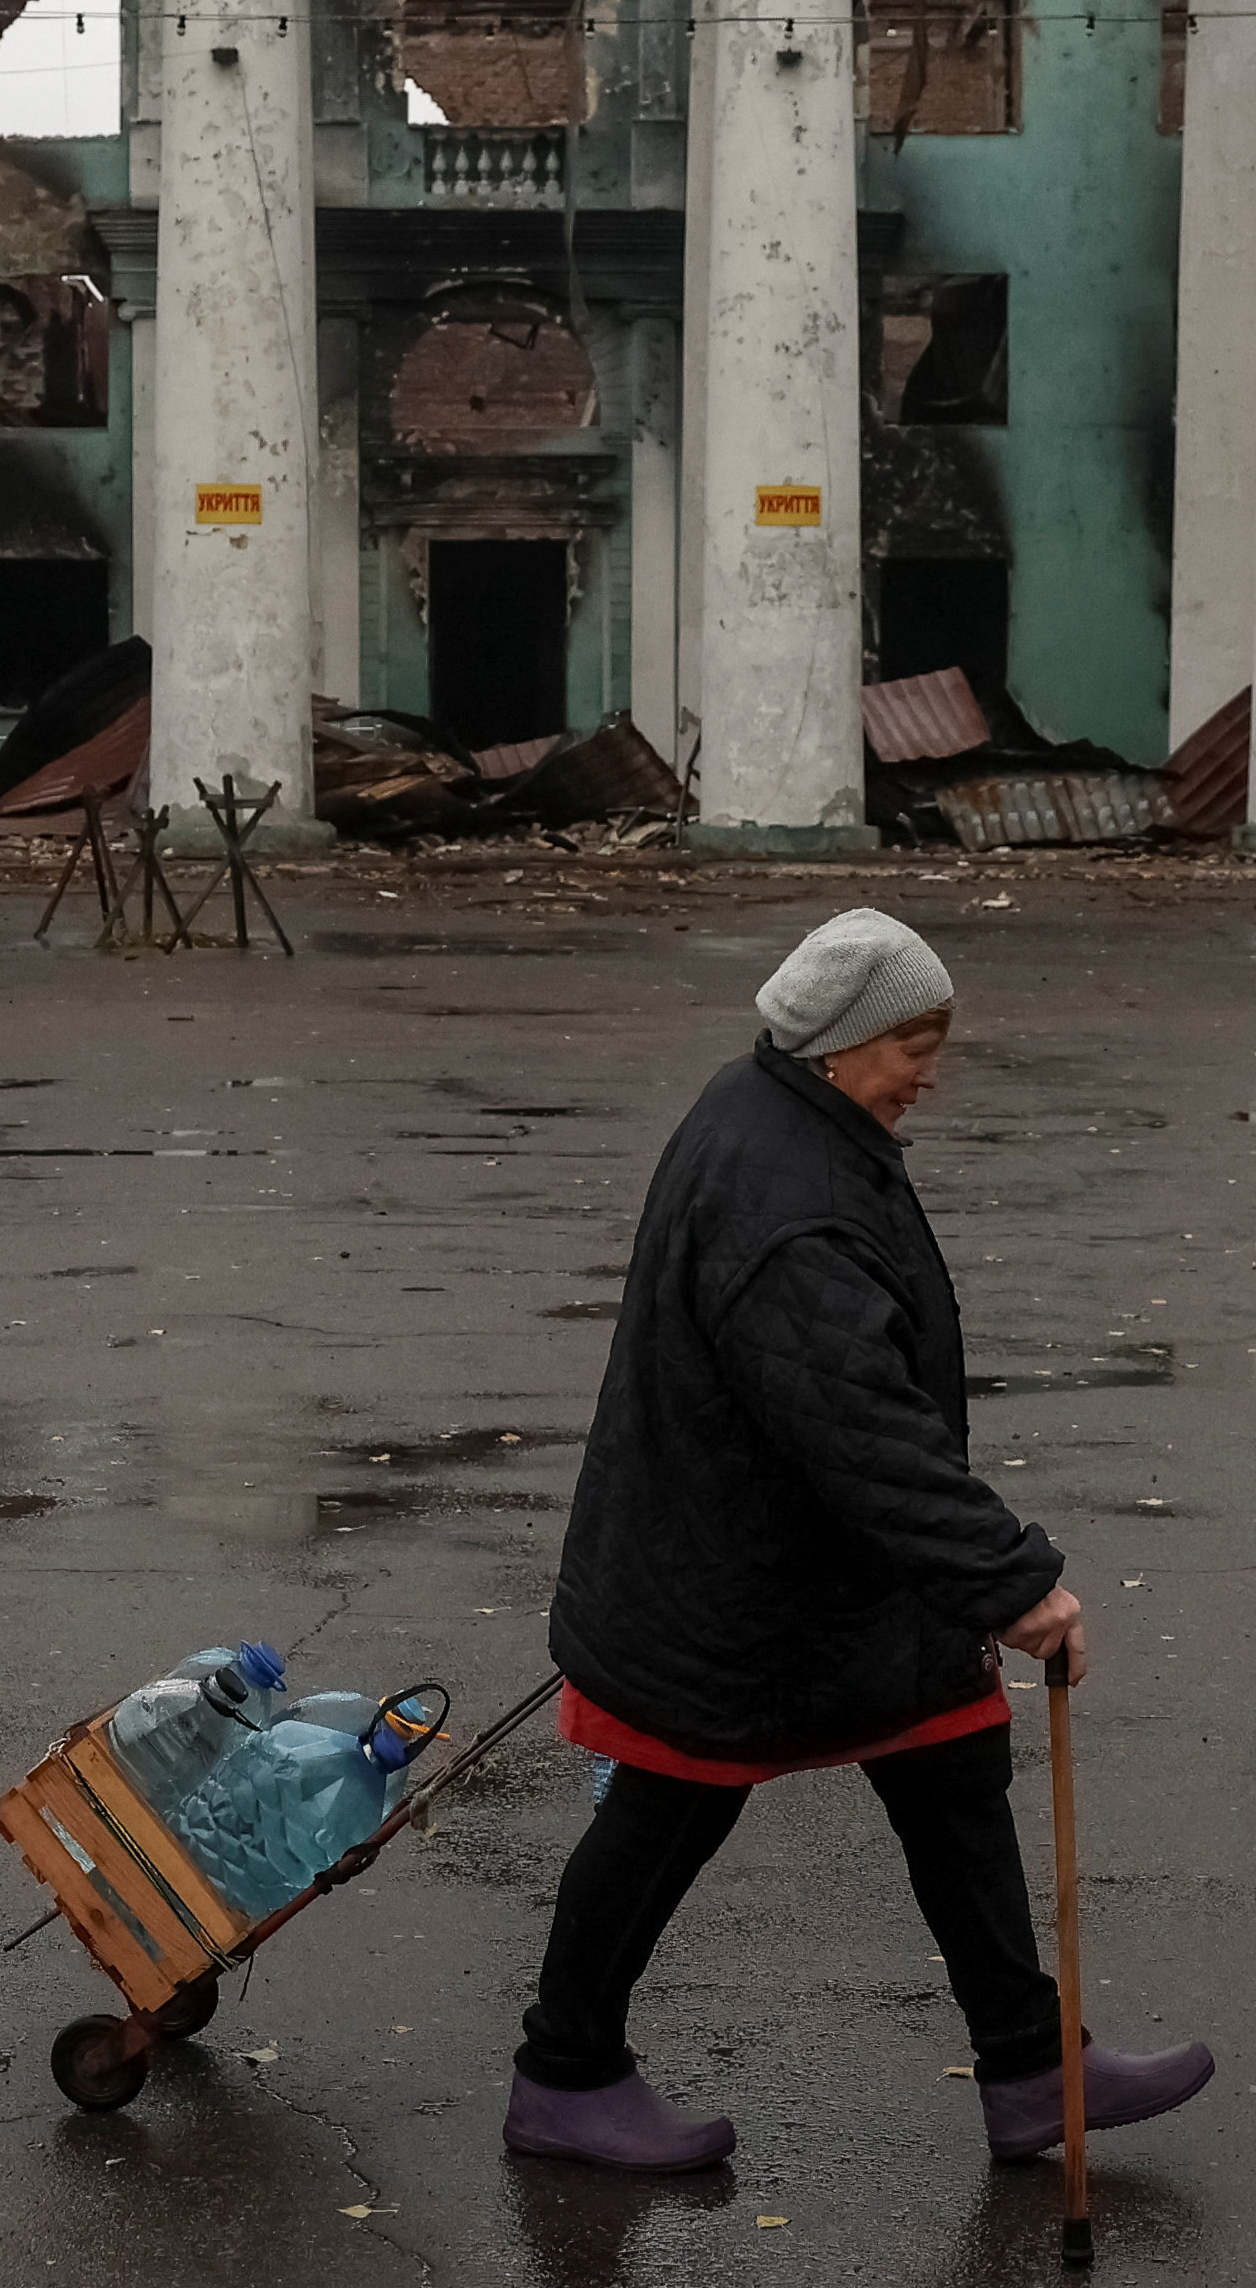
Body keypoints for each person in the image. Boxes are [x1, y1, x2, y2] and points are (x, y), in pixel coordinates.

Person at [505, 905, 1215, 2171]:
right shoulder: (787, 1196)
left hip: (816, 1575)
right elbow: (858, 1423)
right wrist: (1012, 1583)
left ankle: (1028, 2068)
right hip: (732, 1591)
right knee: (668, 1813)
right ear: (836, 1043)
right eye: (914, 1043)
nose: (930, 1071)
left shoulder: (781, 1111)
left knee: (951, 1765)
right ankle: (564, 2076)